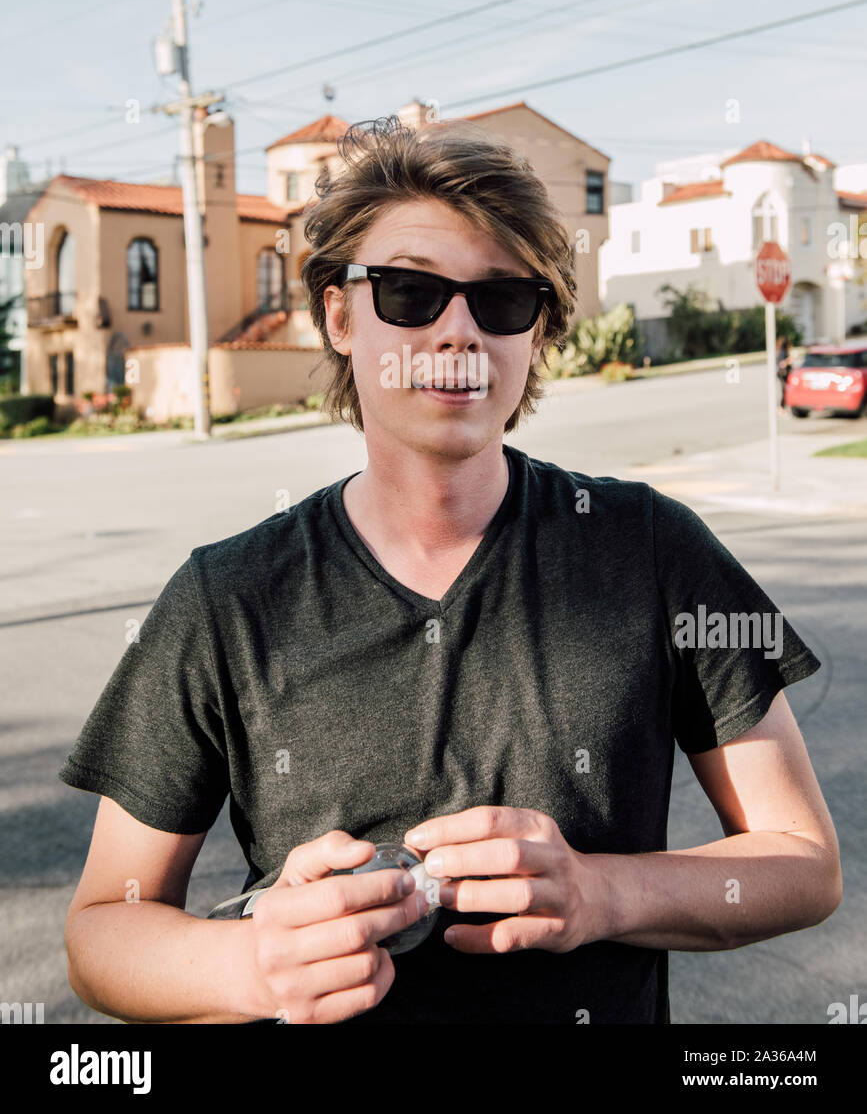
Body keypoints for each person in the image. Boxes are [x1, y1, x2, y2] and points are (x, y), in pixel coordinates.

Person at [59, 117, 841, 1025]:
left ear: (536, 331)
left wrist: (599, 894)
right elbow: (99, 935)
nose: (458, 331)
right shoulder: (226, 599)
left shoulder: (651, 549)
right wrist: (248, 965)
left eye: (502, 298)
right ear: (339, 315)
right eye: (409, 292)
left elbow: (801, 863)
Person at [776, 336, 792, 411]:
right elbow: (782, 364)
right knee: (785, 390)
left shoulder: (781, 351)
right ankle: (781, 407)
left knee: (785, 390)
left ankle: (783, 406)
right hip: (783, 374)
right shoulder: (783, 352)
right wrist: (790, 359)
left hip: (783, 374)